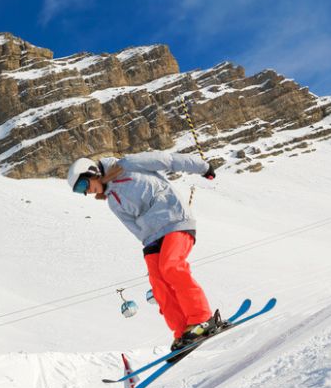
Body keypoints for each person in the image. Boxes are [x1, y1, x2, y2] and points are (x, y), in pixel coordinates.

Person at [67, 151, 221, 352]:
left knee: (171, 267)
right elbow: (133, 227)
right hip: (151, 237)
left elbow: (170, 161)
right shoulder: (113, 201)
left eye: (82, 185)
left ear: (92, 172)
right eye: (79, 191)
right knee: (158, 284)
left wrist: (203, 167)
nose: (85, 192)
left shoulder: (129, 165)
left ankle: (202, 319)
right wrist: (149, 247)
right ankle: (183, 331)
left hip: (174, 220)